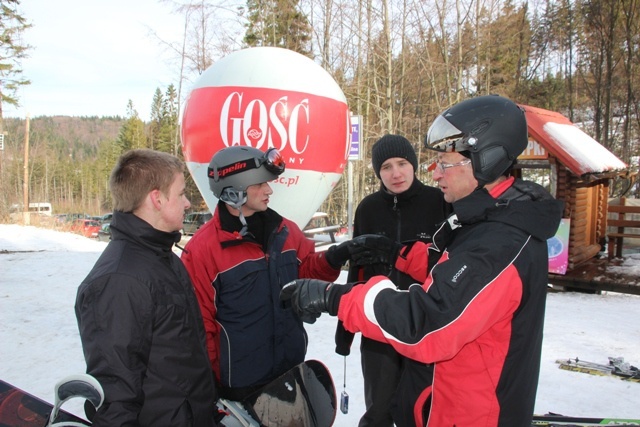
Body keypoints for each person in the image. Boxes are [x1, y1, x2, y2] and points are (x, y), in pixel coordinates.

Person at [281, 95, 565, 426]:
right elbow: (447, 267)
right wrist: (393, 253)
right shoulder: (487, 220)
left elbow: (426, 322)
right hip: (448, 398)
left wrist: (334, 297)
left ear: (485, 160)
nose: (437, 172)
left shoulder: (499, 243)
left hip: (474, 412)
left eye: (446, 163)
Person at [180, 145, 364, 406]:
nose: (269, 190)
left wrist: (336, 255)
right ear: (235, 190)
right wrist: (211, 386)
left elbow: (307, 271)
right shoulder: (202, 250)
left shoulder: (285, 230)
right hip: (241, 388)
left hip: (291, 373)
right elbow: (200, 327)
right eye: (260, 184)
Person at [75, 149, 219, 426]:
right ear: (157, 198)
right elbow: (115, 395)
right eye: (181, 193)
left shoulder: (164, 259)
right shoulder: (119, 280)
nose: (188, 203)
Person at [334, 134, 450, 427]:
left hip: (425, 324)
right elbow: (357, 270)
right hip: (377, 328)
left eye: (402, 163)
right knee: (379, 411)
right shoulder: (368, 209)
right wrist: (345, 328)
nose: (395, 173)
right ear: (378, 172)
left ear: (413, 165)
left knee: (421, 410)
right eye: (386, 167)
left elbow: (450, 269)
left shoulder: (440, 202)